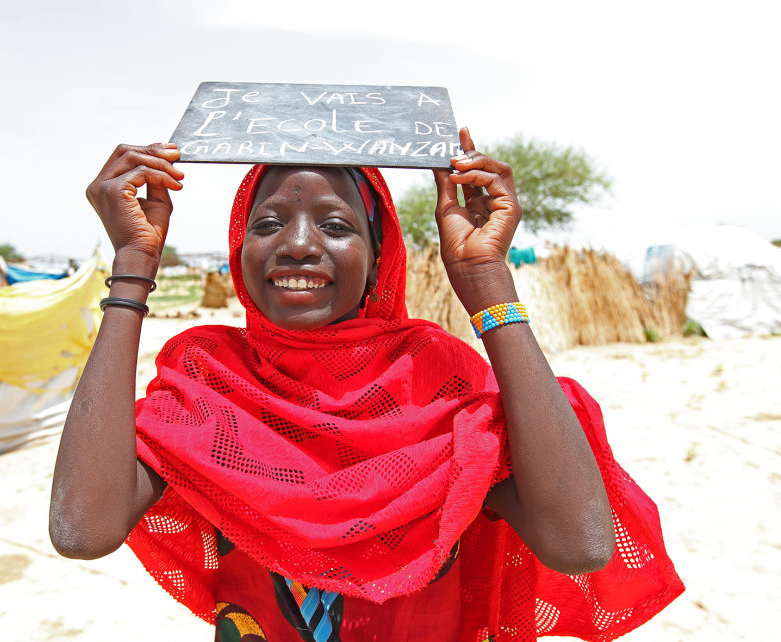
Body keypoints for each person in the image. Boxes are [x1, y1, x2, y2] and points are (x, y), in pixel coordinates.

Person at [50, 130, 683, 641]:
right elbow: (83, 527)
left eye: (335, 226)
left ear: (379, 257)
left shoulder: (438, 383)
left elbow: (580, 542)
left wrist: (487, 281)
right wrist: (133, 268)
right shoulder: (210, 383)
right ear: (239, 248)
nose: (297, 245)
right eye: (268, 224)